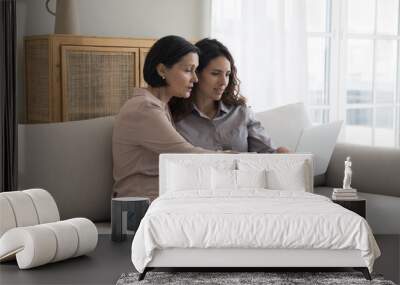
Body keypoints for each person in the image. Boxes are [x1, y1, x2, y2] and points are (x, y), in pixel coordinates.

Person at [112, 35, 211, 200]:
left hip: (159, 200)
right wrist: (239, 158)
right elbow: (186, 155)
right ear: (162, 70)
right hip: (140, 207)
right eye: (188, 70)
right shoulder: (145, 109)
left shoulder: (159, 105)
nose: (195, 79)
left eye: (195, 71)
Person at [169, 38, 289, 153]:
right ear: (196, 73)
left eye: (227, 74)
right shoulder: (173, 116)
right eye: (215, 73)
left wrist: (281, 154)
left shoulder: (241, 113)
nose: (223, 82)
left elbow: (269, 154)